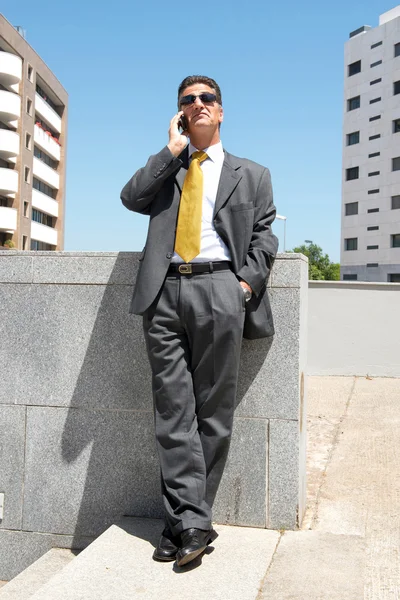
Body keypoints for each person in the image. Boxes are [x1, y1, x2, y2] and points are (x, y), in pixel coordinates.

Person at [120, 75, 278, 567]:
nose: (198, 104)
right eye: (188, 100)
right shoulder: (169, 168)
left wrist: (244, 285)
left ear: (221, 110)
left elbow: (266, 237)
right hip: (164, 291)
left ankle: (182, 522)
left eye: (207, 98)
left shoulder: (251, 173)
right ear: (180, 114)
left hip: (219, 290)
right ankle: (192, 523)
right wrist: (171, 150)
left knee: (212, 413)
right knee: (173, 411)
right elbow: (130, 197)